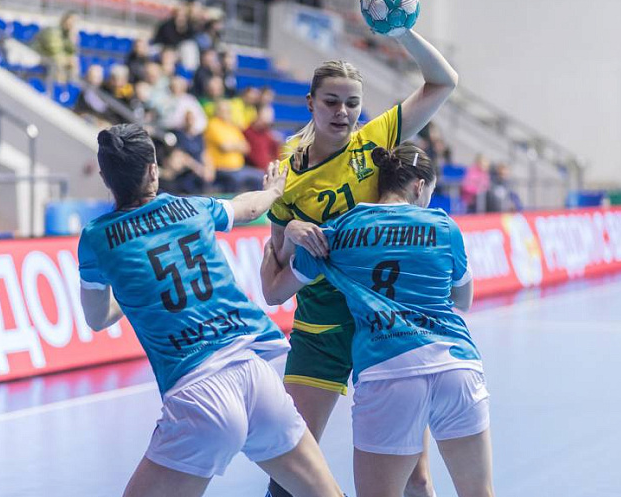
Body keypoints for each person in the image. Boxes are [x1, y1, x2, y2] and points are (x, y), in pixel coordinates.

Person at [77, 123, 344, 497]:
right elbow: (249, 207)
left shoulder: (96, 238)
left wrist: (135, 287)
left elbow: (96, 318)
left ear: (105, 178)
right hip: (255, 375)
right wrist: (274, 191)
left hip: (197, 393)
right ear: (153, 170)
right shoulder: (192, 207)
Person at [261, 25, 459, 497]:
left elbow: (443, 82)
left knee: (416, 478)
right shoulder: (286, 177)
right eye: (331, 101)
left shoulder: (374, 140)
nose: (343, 112)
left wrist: (401, 33)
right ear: (310, 102)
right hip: (321, 329)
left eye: (352, 103)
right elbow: (272, 284)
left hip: (385, 326)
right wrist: (291, 230)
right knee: (292, 466)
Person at [261, 143, 494, 497]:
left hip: (388, 370)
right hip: (456, 366)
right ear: (419, 186)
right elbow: (464, 300)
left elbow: (274, 292)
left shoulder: (337, 231)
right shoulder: (443, 226)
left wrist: (278, 235)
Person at [203, 99, 263, 193]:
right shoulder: (213, 124)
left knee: (261, 176)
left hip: (238, 168)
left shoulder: (233, 127)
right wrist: (237, 146)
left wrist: (232, 145)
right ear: (217, 111)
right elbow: (225, 147)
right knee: (236, 179)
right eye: (223, 110)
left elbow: (246, 148)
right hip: (221, 169)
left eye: (228, 110)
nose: (227, 113)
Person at [32, 11, 79, 85]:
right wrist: (66, 60)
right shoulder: (53, 30)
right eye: (72, 20)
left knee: (74, 61)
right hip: (40, 55)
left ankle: (71, 86)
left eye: (75, 22)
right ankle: (57, 86)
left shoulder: (68, 34)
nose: (73, 24)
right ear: (65, 19)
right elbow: (54, 50)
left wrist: (72, 39)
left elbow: (72, 52)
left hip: (53, 57)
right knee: (58, 62)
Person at [244, 105, 281, 171]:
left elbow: (276, 155)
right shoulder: (247, 132)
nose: (269, 119)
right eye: (266, 116)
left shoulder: (269, 135)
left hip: (266, 169)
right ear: (257, 115)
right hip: (252, 169)